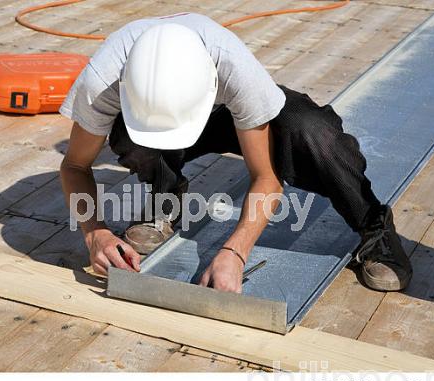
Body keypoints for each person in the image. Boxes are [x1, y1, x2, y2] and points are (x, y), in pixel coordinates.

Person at [59, 12, 412, 293]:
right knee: (128, 135)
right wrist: (95, 233)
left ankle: (373, 225)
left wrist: (234, 252)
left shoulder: (234, 69)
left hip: (232, 108)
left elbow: (266, 178)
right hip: (174, 107)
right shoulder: (101, 81)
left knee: (316, 136)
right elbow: (75, 165)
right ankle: (166, 199)